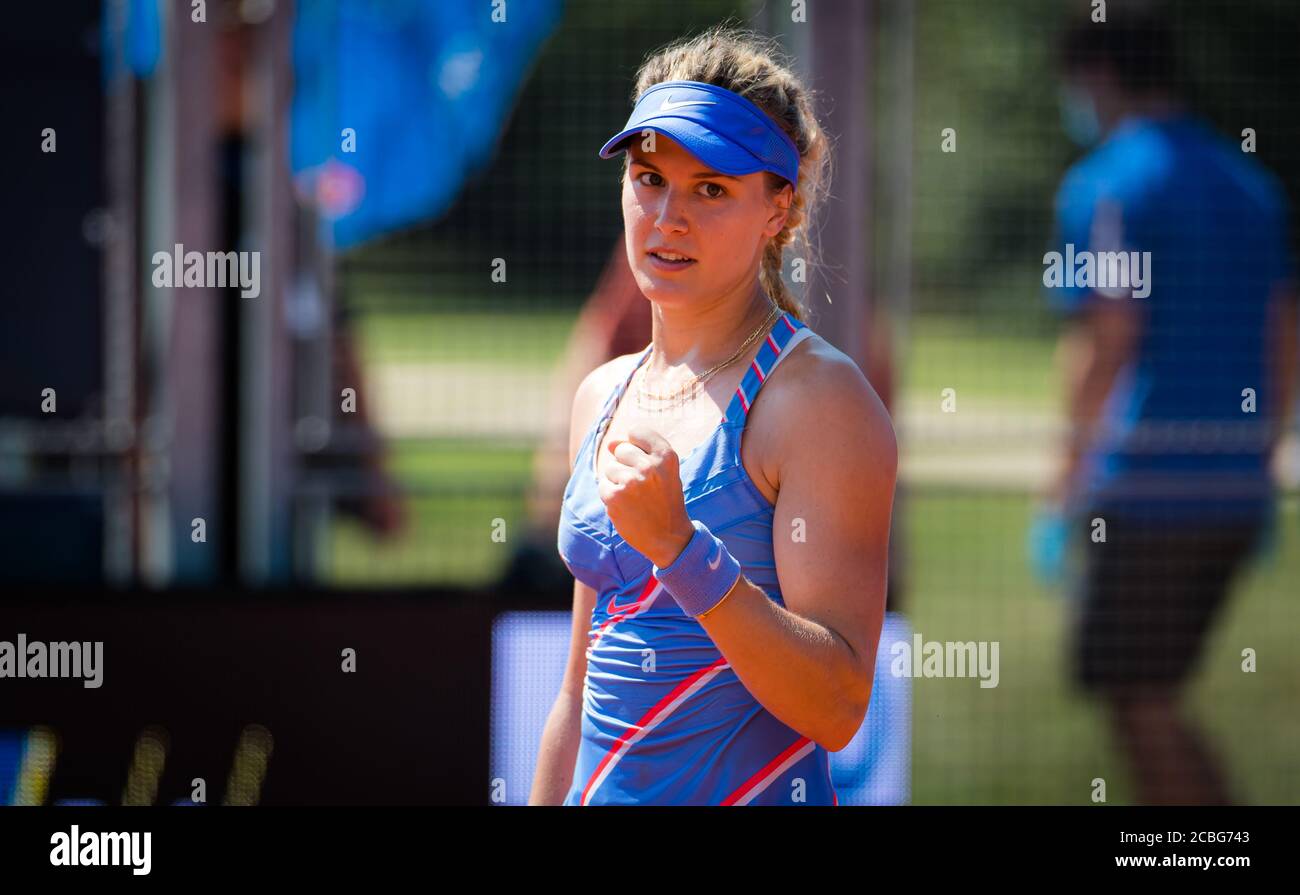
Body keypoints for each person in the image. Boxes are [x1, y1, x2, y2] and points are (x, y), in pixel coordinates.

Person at [528, 26, 897, 806]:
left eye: (712, 188)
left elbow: (836, 706)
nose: (668, 216)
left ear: (778, 209)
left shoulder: (820, 402)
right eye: (649, 176)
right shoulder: (604, 395)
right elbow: (575, 697)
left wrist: (682, 550)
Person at [1043, 8, 1296, 804]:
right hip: (1233, 483)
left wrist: (1064, 472)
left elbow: (1109, 332)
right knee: (1154, 694)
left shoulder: (1108, 183)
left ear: (1099, 75)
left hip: (1145, 488)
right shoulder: (1250, 184)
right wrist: (1260, 458)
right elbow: (1285, 333)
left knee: (1137, 698)